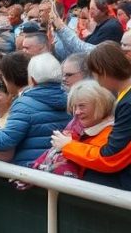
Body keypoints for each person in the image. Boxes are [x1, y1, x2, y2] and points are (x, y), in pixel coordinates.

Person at [49, 43, 131, 189]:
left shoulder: (128, 104)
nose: (96, 81)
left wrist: (68, 146)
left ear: (103, 71)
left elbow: (110, 158)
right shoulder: (124, 97)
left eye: (94, 75)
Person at [0, 53, 70, 166]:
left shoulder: (24, 104)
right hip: (53, 170)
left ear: (32, 79)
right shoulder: (69, 99)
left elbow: (6, 140)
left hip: (28, 171)